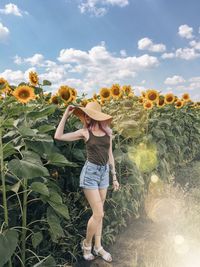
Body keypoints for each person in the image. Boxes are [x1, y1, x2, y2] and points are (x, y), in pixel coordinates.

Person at [54, 101, 120, 262]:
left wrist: (114, 176)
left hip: (104, 173)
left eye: (90, 115)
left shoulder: (107, 133)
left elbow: (110, 154)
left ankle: (99, 247)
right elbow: (58, 136)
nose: (86, 117)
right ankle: (87, 244)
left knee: (99, 215)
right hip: (90, 174)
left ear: (96, 117)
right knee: (98, 213)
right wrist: (65, 114)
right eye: (85, 114)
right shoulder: (84, 132)